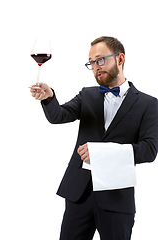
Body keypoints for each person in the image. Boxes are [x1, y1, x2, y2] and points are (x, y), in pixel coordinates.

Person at [30, 36, 158, 240]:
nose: (95, 67)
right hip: (79, 193)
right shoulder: (87, 95)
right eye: (91, 63)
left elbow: (149, 150)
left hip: (116, 198)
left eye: (100, 60)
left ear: (120, 58)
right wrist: (49, 97)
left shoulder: (149, 104)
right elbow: (58, 116)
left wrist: (100, 153)